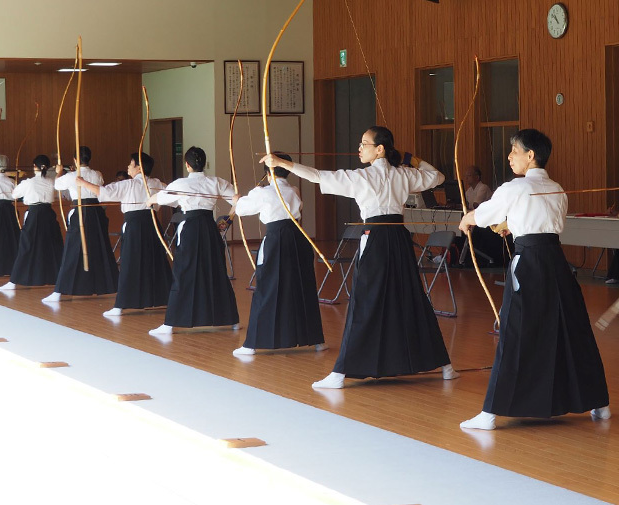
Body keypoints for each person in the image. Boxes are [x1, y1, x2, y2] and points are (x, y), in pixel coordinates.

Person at [261, 126, 457, 389]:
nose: (359, 148)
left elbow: (318, 176)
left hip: (376, 239)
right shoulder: (405, 174)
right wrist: (411, 158)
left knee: (364, 301)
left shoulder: (362, 177)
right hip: (398, 238)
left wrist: (283, 163)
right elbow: (438, 176)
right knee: (411, 297)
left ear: (380, 149)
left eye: (365, 144)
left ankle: (341, 372)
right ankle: (445, 367)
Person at [458, 129, 610, 430]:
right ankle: (599, 404)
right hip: (556, 262)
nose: (510, 156)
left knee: (515, 330)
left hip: (529, 262)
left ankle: (490, 413)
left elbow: (485, 214)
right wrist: (511, 225)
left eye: (515, 150)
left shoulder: (516, 187)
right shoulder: (557, 188)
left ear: (531, 155)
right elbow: (543, 224)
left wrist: (468, 218)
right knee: (571, 329)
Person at [232, 152, 326, 356]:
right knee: (302, 286)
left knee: (267, 287)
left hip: (275, 240)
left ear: (267, 173)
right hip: (299, 239)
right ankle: (316, 340)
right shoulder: (294, 189)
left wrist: (239, 199)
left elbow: (240, 210)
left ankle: (251, 345)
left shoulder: (263, 192)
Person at [147, 146, 239, 335]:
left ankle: (170, 323)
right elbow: (238, 199)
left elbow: (159, 198)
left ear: (187, 165)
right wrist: (228, 217)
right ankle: (231, 319)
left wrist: (150, 201)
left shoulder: (180, 184)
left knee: (183, 272)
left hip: (189, 228)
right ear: (203, 164)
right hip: (208, 227)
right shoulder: (216, 182)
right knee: (216, 270)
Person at [76, 153, 172, 318]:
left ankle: (121, 305)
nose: (128, 166)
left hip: (136, 225)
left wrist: (82, 183)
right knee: (154, 261)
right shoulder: (157, 184)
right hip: (152, 224)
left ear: (139, 167)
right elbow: (167, 198)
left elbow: (104, 192)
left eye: (131, 164)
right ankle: (165, 298)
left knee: (129, 263)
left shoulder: (129, 184)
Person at [43, 146, 119, 302]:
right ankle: (106, 285)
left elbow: (57, 185)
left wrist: (59, 171)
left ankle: (60, 291)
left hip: (81, 211)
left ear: (75, 160)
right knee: (98, 248)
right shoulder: (97, 174)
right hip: (96, 213)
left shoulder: (72, 176)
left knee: (72, 249)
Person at [0, 155, 64, 291]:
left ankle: (14, 281)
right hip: (49, 214)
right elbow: (60, 194)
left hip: (35, 214)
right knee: (52, 245)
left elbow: (14, 195)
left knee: (27, 246)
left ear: (35, 166)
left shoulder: (29, 182)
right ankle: (58, 278)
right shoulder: (52, 181)